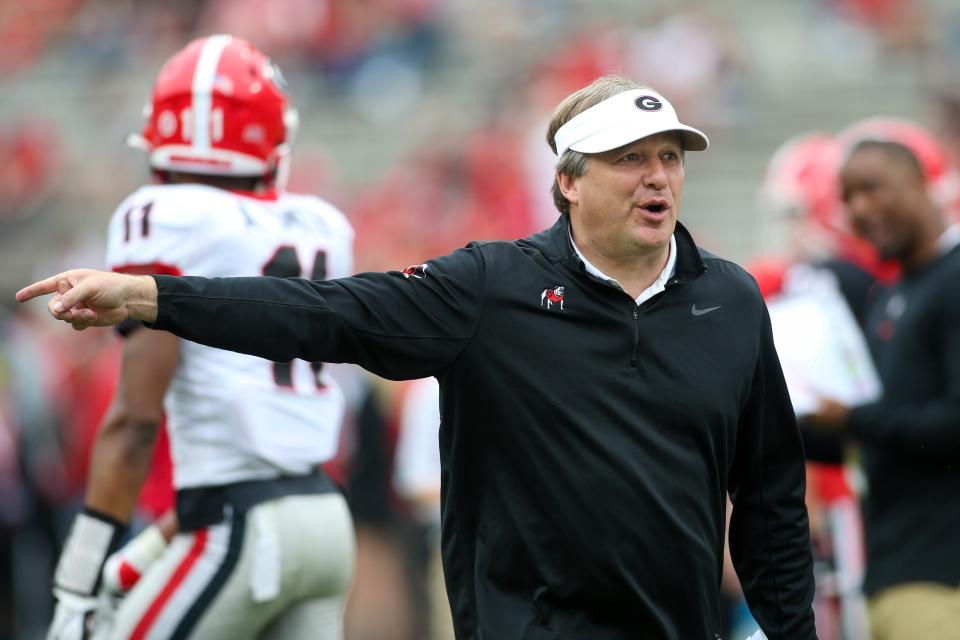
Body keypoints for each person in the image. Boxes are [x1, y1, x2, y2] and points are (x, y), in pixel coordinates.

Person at [18, 75, 816, 639]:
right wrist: (154, 297)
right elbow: (328, 314)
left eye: (670, 157)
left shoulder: (732, 301)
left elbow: (772, 499)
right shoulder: (491, 287)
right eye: (629, 159)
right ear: (569, 182)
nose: (658, 178)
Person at [41, 35, 356, 640]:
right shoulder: (324, 225)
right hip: (320, 515)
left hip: (241, 528)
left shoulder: (162, 214)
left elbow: (134, 421)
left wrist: (75, 583)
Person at [804, 121, 960, 639]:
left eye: (873, 187)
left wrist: (851, 418)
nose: (860, 210)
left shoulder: (954, 280)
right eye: (848, 197)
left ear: (922, 182)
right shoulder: (890, 298)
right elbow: (878, 438)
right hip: (895, 571)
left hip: (943, 577)